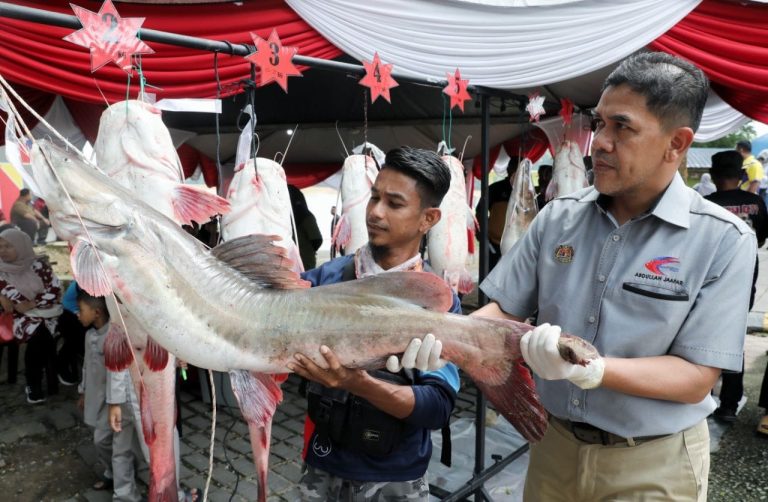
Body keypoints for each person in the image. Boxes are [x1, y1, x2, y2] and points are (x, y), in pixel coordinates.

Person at [472, 53, 755, 501]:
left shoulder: (721, 239)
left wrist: (592, 368)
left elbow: (695, 376)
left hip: (651, 463)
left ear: (676, 144)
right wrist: (450, 337)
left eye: (621, 127)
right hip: (553, 447)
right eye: (599, 124)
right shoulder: (558, 219)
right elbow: (503, 308)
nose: (599, 143)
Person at [288, 146, 460, 502]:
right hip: (324, 464)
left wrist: (358, 383)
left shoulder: (436, 300)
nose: (375, 213)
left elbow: (437, 406)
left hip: (396, 477)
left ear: (428, 219)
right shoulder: (327, 279)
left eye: (394, 204)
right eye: (374, 198)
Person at [705, 150, 768, 422]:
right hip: (745, 274)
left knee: (702, 335)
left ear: (714, 175)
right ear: (742, 176)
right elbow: (762, 239)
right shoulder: (755, 202)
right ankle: (729, 404)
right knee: (733, 335)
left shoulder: (704, 203)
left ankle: (699, 397)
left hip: (709, 276)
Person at [77, 290, 144, 502]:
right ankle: (114, 473)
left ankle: (124, 486)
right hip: (99, 399)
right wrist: (83, 391)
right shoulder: (89, 336)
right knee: (101, 441)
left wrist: (118, 401)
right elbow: (87, 366)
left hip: (118, 401)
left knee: (120, 446)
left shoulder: (116, 335)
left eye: (81, 310)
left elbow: (120, 372)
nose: (77, 314)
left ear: (97, 312)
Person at [0, 228, 62, 404]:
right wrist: (39, 300)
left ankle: (61, 368)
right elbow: (18, 304)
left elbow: (55, 289)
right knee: (40, 335)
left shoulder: (38, 265)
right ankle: (34, 382)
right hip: (18, 319)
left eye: (8, 246)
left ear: (21, 246)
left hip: (51, 312)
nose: (2, 250)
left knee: (71, 325)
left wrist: (33, 303)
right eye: (0, 246)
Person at [475, 156, 520, 271]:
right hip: (494, 244)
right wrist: (481, 231)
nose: (517, 172)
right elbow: (480, 211)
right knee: (489, 276)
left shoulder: (527, 191)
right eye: (514, 168)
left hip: (519, 245)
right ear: (509, 170)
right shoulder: (495, 188)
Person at [289, 185, 323, 269]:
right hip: (305, 261)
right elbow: (317, 239)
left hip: (290, 262)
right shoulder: (306, 216)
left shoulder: (280, 218)